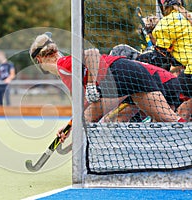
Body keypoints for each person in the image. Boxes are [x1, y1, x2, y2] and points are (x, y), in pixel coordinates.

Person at [29, 33, 187, 141]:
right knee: (170, 119)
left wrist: (91, 85)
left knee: (89, 119)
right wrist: (69, 125)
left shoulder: (62, 64)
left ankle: (87, 160)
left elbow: (92, 53)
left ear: (38, 60)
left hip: (117, 74)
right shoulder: (66, 72)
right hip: (133, 71)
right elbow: (84, 104)